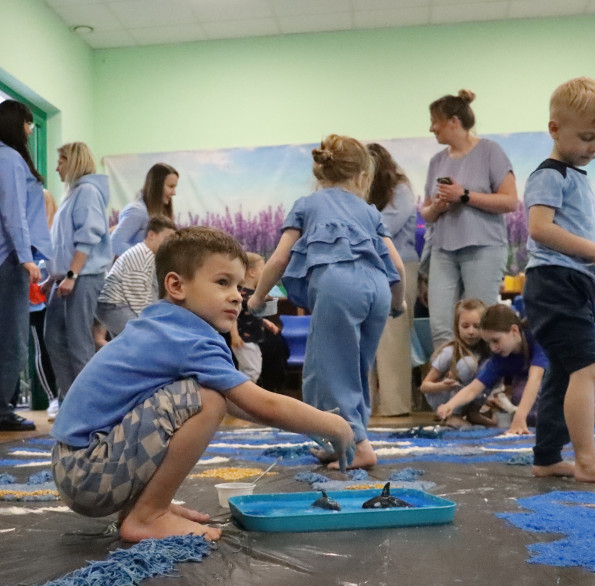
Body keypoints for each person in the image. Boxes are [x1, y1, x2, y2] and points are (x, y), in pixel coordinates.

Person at [50, 227, 354, 542]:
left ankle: (143, 507)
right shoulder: (188, 339)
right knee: (209, 401)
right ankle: (148, 515)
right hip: (87, 474)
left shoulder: (164, 324)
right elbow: (263, 404)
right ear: (176, 285)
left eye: (238, 284)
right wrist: (337, 426)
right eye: (222, 283)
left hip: (78, 469)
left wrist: (315, 428)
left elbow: (247, 405)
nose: (237, 294)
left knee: (209, 397)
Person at [247, 134, 405, 470]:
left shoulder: (307, 205)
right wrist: (398, 302)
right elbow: (398, 265)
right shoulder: (368, 211)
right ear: (362, 174)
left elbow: (278, 259)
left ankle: (358, 445)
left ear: (321, 172)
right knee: (357, 369)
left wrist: (258, 298)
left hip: (338, 285)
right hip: (377, 288)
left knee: (329, 372)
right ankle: (345, 442)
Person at [522, 77, 595, 483]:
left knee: (564, 371)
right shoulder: (549, 174)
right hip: (555, 284)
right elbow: (540, 228)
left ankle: (547, 456)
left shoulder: (576, 177)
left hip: (572, 283)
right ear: (555, 129)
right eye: (587, 137)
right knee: (586, 368)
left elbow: (576, 232)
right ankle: (587, 459)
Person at [0, 100, 52, 431]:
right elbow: (12, 212)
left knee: (3, 338)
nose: (31, 130)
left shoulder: (0, 157)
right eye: (28, 123)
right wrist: (24, 257)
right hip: (6, 261)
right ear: (16, 123)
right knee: (9, 340)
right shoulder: (6, 157)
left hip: (1, 260)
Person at [420, 90, 518, 349]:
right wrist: (438, 207)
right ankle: (447, 386)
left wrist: (463, 195)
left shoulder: (490, 151)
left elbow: (510, 201)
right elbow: (426, 212)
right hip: (443, 251)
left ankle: (483, 385)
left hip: (483, 249)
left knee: (480, 325)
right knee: (441, 326)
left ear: (454, 121)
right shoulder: (436, 161)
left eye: (435, 121)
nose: (431, 128)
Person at [41, 142, 112, 403]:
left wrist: (71, 275)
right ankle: (70, 400)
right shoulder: (72, 195)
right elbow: (63, 243)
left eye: (61, 161)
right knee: (55, 338)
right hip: (67, 278)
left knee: (78, 341)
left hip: (83, 278)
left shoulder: (88, 192)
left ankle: (89, 404)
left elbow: (87, 238)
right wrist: (55, 275)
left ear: (74, 162)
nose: (57, 167)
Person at [367, 143, 420, 416]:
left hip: (398, 267)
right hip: (368, 267)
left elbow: (386, 228)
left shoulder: (401, 190)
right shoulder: (365, 194)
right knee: (366, 340)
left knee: (392, 338)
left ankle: (395, 405)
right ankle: (367, 404)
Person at [437, 305, 546, 435]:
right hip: (532, 379)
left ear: (514, 330)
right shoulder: (501, 357)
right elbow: (474, 388)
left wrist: (520, 416)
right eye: (489, 343)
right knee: (522, 398)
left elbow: (535, 378)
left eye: (496, 340)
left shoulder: (539, 338)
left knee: (537, 408)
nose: (493, 348)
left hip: (561, 378)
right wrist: (450, 405)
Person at [96, 216, 177, 338]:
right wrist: (151, 322)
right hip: (114, 305)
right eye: (166, 238)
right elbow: (137, 298)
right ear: (151, 235)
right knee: (144, 336)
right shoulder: (142, 256)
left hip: (117, 304)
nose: (169, 244)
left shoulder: (147, 255)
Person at [421, 299, 492, 428]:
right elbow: (425, 386)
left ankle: (473, 412)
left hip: (465, 396)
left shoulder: (486, 352)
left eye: (477, 326)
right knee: (468, 364)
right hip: (443, 397)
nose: (471, 331)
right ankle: (453, 415)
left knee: (490, 367)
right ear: (456, 327)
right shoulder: (449, 352)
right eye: (465, 326)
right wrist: (444, 385)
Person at [229, 252, 281, 383]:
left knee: (254, 370)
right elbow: (234, 316)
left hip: (253, 337)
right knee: (251, 372)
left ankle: (245, 400)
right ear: (252, 272)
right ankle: (241, 400)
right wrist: (234, 335)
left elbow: (248, 314)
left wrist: (264, 321)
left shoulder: (253, 294)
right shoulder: (241, 294)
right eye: (262, 269)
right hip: (244, 339)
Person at [110, 163, 179, 257]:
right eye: (170, 186)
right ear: (157, 186)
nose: (174, 193)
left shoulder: (156, 212)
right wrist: (145, 258)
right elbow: (115, 243)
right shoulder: (137, 211)